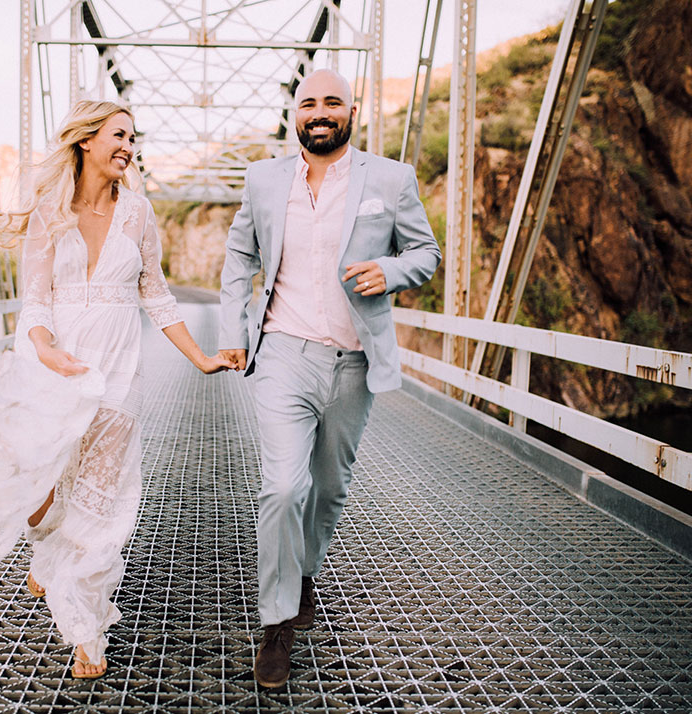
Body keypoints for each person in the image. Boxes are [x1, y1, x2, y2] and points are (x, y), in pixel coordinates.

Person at [0, 100, 234, 679]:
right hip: (53, 363)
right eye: (118, 134)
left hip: (117, 374)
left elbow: (155, 295)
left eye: (134, 136)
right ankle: (44, 546)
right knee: (43, 485)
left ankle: (86, 627)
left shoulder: (138, 212)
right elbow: (35, 298)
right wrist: (45, 345)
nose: (129, 146)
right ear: (85, 141)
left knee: (103, 503)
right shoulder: (50, 212)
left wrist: (201, 357)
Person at [218, 69, 441, 688]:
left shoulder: (390, 179)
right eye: (308, 102)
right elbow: (241, 256)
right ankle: (277, 624)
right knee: (282, 488)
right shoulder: (265, 178)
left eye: (332, 102)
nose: (320, 112)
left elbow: (426, 254)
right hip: (283, 354)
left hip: (354, 362)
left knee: (328, 487)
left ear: (351, 111)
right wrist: (233, 335)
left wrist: (391, 271)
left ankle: (306, 569)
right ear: (295, 113)